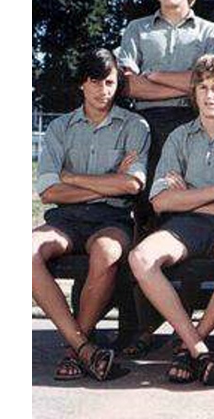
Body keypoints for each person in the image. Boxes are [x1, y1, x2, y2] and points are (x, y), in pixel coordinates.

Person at [127, 55, 214, 386]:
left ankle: (192, 341)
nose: (209, 95)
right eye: (202, 87)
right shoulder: (179, 137)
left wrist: (190, 196)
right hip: (184, 227)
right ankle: (198, 349)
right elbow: (161, 201)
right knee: (140, 257)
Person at [115, 0, 214, 358]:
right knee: (143, 228)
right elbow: (129, 88)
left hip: (192, 130)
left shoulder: (209, 32)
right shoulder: (137, 29)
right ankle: (137, 328)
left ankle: (187, 326)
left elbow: (207, 85)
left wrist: (155, 76)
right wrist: (179, 83)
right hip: (145, 130)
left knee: (185, 226)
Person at [32, 48, 150, 381]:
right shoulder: (60, 128)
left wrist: (72, 177)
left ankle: (75, 349)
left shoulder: (134, 126)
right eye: (95, 81)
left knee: (107, 252)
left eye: (110, 82)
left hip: (111, 220)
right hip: (66, 219)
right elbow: (48, 191)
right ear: (82, 84)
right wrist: (107, 184)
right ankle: (83, 347)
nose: (103, 90)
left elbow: (132, 185)